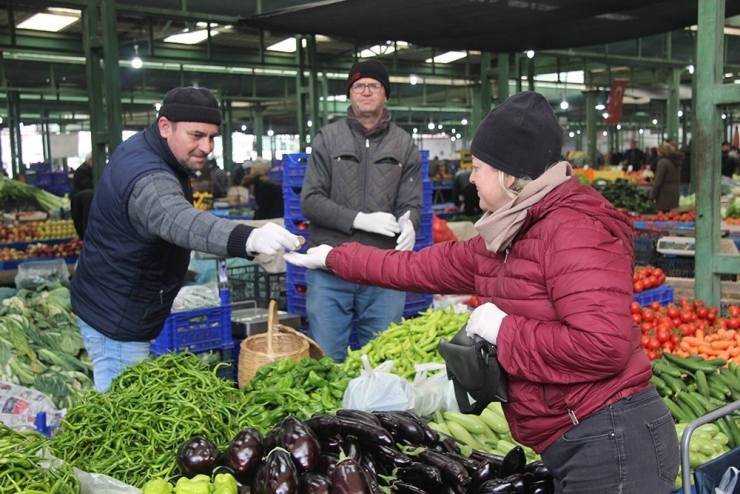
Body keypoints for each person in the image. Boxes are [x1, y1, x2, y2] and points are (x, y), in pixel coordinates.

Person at [286, 91, 679, 494]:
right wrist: (336, 258)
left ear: (509, 175)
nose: (470, 177)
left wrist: (504, 331)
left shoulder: (572, 229)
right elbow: (420, 267)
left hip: (613, 442)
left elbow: (603, 346)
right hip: (578, 438)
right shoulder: (509, 231)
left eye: (477, 167)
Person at [71, 86, 302, 391]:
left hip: (114, 303)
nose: (206, 147)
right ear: (165, 126)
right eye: (196, 135)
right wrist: (248, 238)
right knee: (120, 417)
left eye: (212, 137)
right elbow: (180, 220)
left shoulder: (148, 149)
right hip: (116, 320)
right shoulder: (149, 176)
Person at [299, 59, 423, 362]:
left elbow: (411, 202)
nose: (366, 91)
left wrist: (410, 223)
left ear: (386, 94)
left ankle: (374, 413)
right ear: (350, 94)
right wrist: (358, 220)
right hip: (330, 268)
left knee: (382, 362)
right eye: (358, 86)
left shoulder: (404, 144)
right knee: (327, 361)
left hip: (383, 272)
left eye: (374, 85)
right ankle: (328, 413)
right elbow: (310, 200)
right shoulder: (327, 139)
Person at [649, 142, 683, 212]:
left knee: (663, 217)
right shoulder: (676, 161)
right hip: (675, 192)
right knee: (671, 216)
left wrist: (652, 195)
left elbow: (658, 181)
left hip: (664, 194)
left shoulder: (662, 162)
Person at [71, 154, 95, 239]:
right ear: (89, 160)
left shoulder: (91, 170)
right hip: (83, 202)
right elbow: (88, 184)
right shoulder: (82, 171)